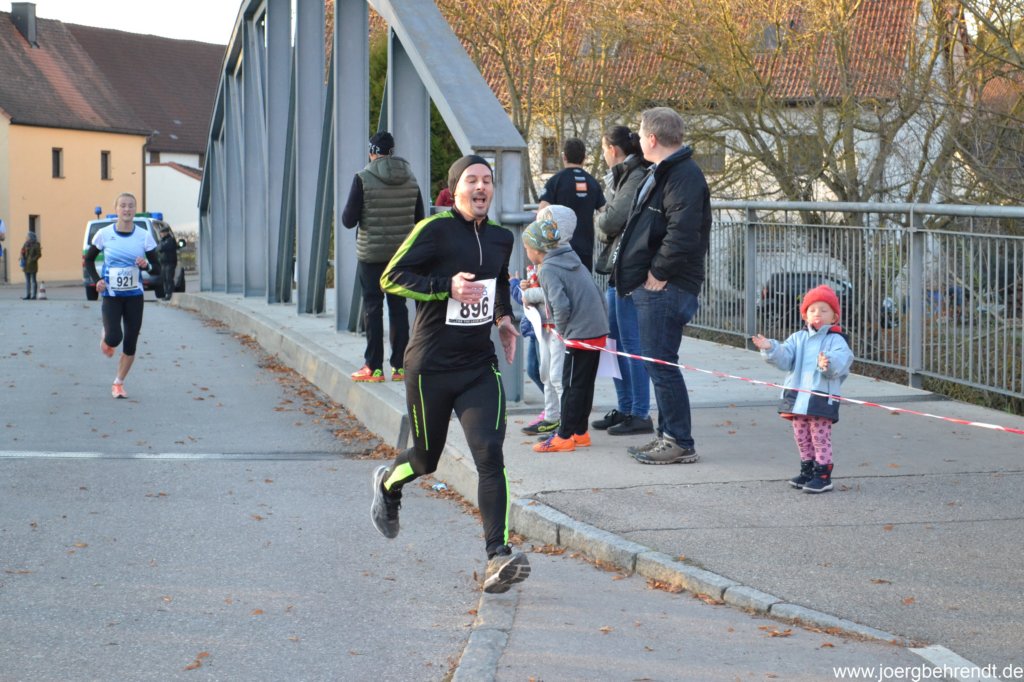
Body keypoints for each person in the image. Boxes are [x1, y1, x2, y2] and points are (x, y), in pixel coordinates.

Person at [371, 155, 529, 594]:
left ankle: (498, 556)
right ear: (456, 188)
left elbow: (498, 282)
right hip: (430, 368)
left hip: (478, 367)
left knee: (490, 454)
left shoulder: (500, 238)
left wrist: (503, 318)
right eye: (472, 180)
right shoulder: (434, 230)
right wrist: (446, 287)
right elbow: (390, 278)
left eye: (487, 181)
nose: (481, 187)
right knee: (426, 459)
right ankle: (388, 484)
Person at [612, 107, 711, 465]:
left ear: (652, 139)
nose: (637, 139)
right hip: (658, 284)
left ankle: (679, 441)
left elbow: (682, 232)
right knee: (657, 363)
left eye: (640, 134)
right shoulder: (666, 171)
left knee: (661, 363)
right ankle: (667, 435)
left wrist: (660, 271)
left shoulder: (682, 175)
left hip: (666, 286)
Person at [751, 285, 854, 493]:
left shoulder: (836, 340)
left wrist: (828, 362)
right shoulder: (797, 338)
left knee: (820, 436)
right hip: (797, 396)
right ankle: (807, 470)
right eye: (812, 310)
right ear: (805, 315)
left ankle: (823, 475)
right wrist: (771, 348)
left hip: (820, 396)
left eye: (824, 310)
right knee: (801, 435)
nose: (817, 314)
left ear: (834, 317)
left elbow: (843, 360)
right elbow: (785, 358)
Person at [341, 131, 425, 383]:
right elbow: (420, 219)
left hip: (371, 256)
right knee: (398, 307)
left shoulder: (362, 178)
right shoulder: (410, 178)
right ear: (392, 152)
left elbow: (348, 220)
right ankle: (400, 367)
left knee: (373, 308)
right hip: (401, 256)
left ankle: (374, 367)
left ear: (372, 152)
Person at [523, 219, 609, 453]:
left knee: (570, 385)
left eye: (527, 248)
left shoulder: (548, 269)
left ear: (536, 249)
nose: (526, 252)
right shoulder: (571, 259)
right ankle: (580, 432)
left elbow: (560, 305)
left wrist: (561, 331)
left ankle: (564, 436)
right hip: (597, 328)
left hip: (578, 332)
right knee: (584, 383)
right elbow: (595, 291)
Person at [592, 125, 654, 437]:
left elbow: (609, 221)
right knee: (614, 342)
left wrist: (600, 222)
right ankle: (626, 406)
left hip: (630, 270)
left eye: (603, 149)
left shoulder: (634, 176)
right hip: (618, 269)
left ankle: (640, 412)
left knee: (631, 344)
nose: (603, 155)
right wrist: (604, 224)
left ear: (612, 150)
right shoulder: (623, 177)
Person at [84, 192, 161, 399]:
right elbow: (89, 260)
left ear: (135, 210)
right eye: (123, 206)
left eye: (131, 206)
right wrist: (97, 280)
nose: (127, 209)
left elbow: (157, 268)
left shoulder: (144, 236)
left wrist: (146, 265)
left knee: (131, 342)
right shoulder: (104, 234)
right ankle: (106, 335)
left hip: (134, 296)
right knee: (114, 338)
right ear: (116, 209)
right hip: (111, 295)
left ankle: (118, 383)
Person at [518, 205, 578, 438]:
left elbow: (557, 294)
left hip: (559, 328)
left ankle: (566, 424)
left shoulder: (563, 258)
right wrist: (527, 285)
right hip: (544, 325)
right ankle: (552, 416)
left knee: (557, 376)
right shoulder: (546, 258)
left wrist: (528, 294)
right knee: (545, 373)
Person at [537, 138, 605, 272]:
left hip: (559, 249)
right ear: (584, 158)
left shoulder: (555, 181)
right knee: (582, 283)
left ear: (564, 157)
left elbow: (542, 212)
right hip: (585, 248)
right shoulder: (592, 183)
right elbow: (605, 213)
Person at [157, 226, 178, 301]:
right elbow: (157, 248)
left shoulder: (170, 240)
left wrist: (160, 246)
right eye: (160, 233)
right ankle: (166, 293)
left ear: (166, 233)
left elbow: (161, 248)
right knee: (165, 279)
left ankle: (170, 294)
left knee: (169, 279)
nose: (161, 234)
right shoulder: (163, 240)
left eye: (162, 233)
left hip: (170, 262)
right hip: (163, 263)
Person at [20, 231, 42, 300]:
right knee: (27, 281)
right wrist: (22, 255)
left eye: (28, 236)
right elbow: (22, 251)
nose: (26, 237)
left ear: (31, 237)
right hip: (26, 264)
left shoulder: (36, 244)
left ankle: (34, 295)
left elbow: (39, 254)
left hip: (33, 265)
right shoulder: (26, 244)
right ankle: (28, 295)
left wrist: (33, 259)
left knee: (33, 280)